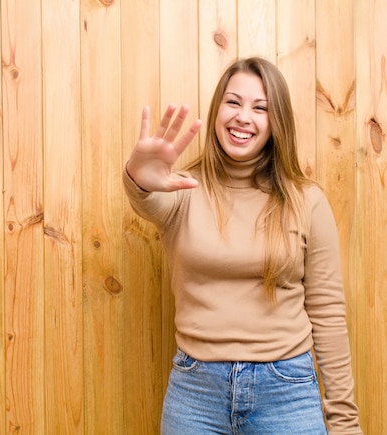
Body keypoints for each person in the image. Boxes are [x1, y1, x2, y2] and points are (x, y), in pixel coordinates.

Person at [123, 57, 361, 434]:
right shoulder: (182, 190)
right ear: (218, 109)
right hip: (196, 393)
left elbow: (328, 313)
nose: (243, 117)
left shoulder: (308, 201)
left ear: (277, 122)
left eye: (260, 107)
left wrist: (345, 423)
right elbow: (146, 199)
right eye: (233, 102)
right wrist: (139, 178)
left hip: (287, 392)